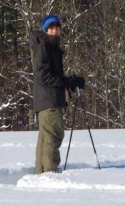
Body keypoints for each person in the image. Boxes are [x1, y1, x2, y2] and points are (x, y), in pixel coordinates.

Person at [29, 14, 84, 174]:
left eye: (57, 27)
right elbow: (44, 75)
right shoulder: (45, 46)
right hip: (49, 100)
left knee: (46, 138)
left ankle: (41, 173)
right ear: (45, 30)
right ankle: (49, 173)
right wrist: (67, 82)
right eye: (51, 28)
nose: (55, 31)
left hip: (47, 99)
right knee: (53, 137)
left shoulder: (48, 46)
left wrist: (68, 82)